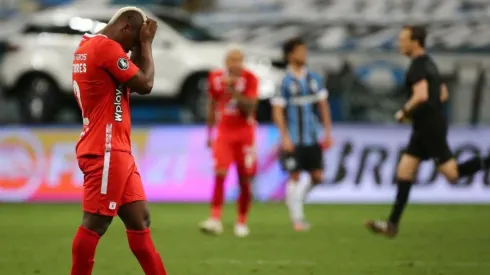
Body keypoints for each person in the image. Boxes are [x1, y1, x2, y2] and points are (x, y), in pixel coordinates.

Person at [365, 25, 490, 238]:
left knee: (452, 174)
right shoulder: (430, 64)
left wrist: (404, 112)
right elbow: (442, 93)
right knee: (404, 171)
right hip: (426, 126)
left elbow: (421, 95)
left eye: (403, 39)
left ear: (415, 42)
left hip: (429, 128)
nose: (399, 43)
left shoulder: (417, 67)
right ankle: (392, 224)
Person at [71, 7, 167, 275]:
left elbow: (132, 75)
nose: (133, 50)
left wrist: (140, 42)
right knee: (95, 224)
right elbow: (145, 84)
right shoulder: (105, 49)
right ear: (125, 28)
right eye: (134, 42)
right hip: (107, 150)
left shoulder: (88, 44)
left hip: (117, 149)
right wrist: (147, 43)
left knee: (140, 220)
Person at [271, 37, 333, 232]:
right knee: (295, 176)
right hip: (294, 137)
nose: (303, 55)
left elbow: (323, 106)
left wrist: (328, 132)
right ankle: (297, 218)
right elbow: (278, 110)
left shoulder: (314, 79)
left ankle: (295, 201)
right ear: (290, 55)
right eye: (300, 51)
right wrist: (284, 136)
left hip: (312, 136)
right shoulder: (283, 81)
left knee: (317, 177)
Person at [199, 48, 259, 238]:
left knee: (245, 179)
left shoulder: (250, 78)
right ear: (226, 62)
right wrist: (209, 132)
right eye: (232, 60)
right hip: (224, 132)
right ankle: (215, 219)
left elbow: (251, 107)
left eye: (239, 60)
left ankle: (241, 220)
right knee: (220, 173)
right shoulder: (215, 78)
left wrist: (233, 89)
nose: (236, 64)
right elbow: (212, 104)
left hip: (245, 134)